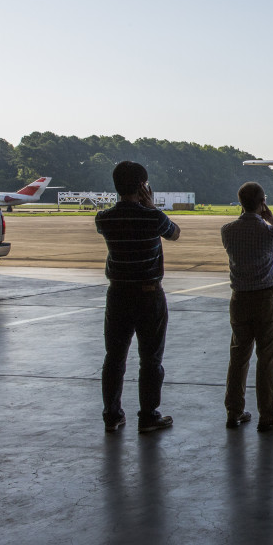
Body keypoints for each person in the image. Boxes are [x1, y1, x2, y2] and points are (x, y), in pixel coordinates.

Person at [96, 161, 181, 433]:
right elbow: (174, 234)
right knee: (151, 359)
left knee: (114, 358)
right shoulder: (153, 218)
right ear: (144, 186)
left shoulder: (104, 219)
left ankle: (112, 414)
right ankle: (148, 415)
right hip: (149, 295)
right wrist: (152, 206)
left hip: (118, 294)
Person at [221, 182, 273, 432]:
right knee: (267, 359)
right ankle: (268, 414)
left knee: (238, 356)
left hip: (239, 298)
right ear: (263, 201)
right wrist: (272, 220)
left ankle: (234, 411)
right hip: (266, 298)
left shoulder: (227, 231)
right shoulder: (269, 232)